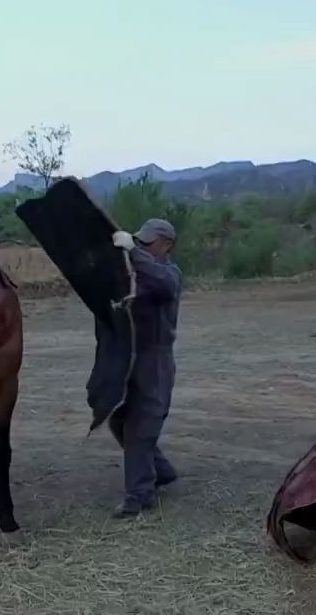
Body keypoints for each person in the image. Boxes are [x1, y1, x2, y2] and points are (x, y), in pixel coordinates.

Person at [109, 218, 184, 517]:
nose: (141, 246)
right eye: (138, 241)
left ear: (167, 244)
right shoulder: (142, 274)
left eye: (147, 242)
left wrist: (134, 254)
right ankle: (160, 470)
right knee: (119, 420)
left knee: (141, 427)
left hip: (156, 360)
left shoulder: (169, 274)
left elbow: (164, 284)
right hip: (133, 358)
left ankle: (140, 496)